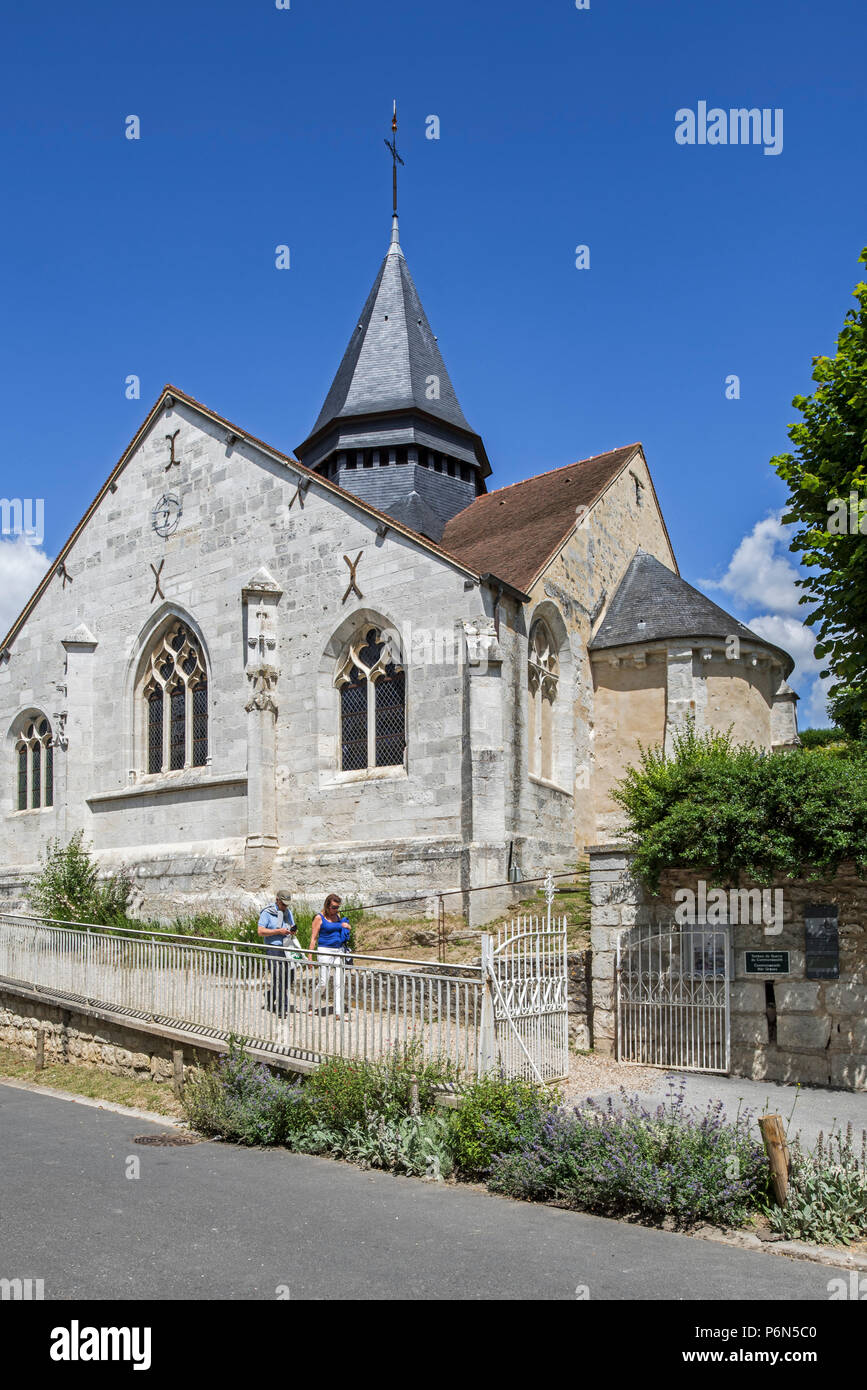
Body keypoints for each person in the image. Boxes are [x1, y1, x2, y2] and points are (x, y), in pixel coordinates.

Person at [309, 893, 352, 1020]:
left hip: (338, 950)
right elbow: (313, 938)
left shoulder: (338, 916)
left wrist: (347, 926)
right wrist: (310, 957)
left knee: (340, 981)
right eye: (333, 907)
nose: (336, 910)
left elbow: (347, 928)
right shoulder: (319, 917)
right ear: (327, 906)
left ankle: (338, 1012)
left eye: (337, 907)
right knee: (323, 981)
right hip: (324, 950)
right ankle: (312, 1004)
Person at [258, 890, 297, 1017]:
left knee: (289, 976)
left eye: (287, 905)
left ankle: (270, 995)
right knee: (279, 977)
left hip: (287, 947)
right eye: (283, 904)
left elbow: (291, 925)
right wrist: (277, 931)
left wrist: (291, 931)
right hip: (273, 947)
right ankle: (282, 1008)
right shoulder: (267, 912)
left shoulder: (288, 912)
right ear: (277, 900)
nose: (285, 907)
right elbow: (260, 931)